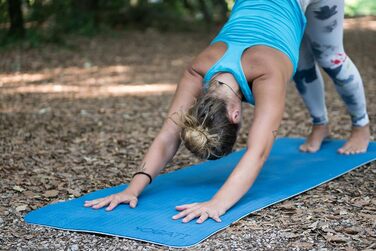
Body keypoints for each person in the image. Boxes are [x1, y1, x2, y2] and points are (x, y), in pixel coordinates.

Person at [84, 0, 370, 224]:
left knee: (329, 56)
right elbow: (167, 136)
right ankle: (320, 126)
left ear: (235, 117)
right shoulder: (198, 68)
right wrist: (132, 189)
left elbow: (257, 153)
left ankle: (361, 126)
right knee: (303, 65)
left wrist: (217, 203)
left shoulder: (266, 71)